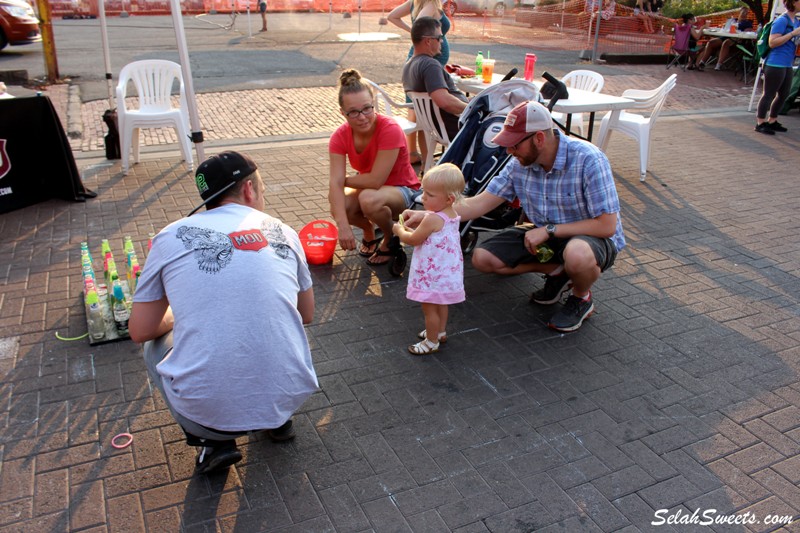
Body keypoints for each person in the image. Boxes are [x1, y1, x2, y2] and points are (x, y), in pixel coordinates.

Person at [128, 151, 318, 475]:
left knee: (153, 346)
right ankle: (278, 419)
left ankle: (213, 441)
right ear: (248, 189)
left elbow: (139, 330)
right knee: (278, 320)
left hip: (207, 413)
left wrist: (179, 314)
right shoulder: (283, 230)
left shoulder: (171, 235)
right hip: (290, 393)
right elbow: (307, 313)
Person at [402, 101, 625, 333]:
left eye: (514, 145)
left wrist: (549, 230)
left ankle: (581, 297)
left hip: (591, 238)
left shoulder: (589, 159)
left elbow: (607, 226)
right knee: (483, 258)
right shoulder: (519, 162)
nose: (509, 151)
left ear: (539, 138)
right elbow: (480, 203)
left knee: (577, 254)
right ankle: (559, 273)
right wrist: (428, 215)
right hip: (546, 234)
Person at [328, 69, 421, 266]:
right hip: (370, 190)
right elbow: (336, 187)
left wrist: (341, 181)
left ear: (373, 105)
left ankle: (390, 239)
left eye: (367, 108)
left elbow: (375, 180)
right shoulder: (339, 136)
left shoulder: (390, 128)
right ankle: (369, 232)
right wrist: (342, 226)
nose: (362, 117)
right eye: (353, 112)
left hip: (403, 190)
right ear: (342, 113)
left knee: (367, 199)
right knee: (339, 203)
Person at [392, 163, 465, 355]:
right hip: (446, 272)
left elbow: (413, 239)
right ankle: (440, 332)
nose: (422, 197)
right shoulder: (451, 214)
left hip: (431, 275)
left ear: (449, 198)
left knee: (429, 309)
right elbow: (434, 225)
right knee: (441, 304)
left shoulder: (431, 219)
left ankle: (431, 341)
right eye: (424, 192)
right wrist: (421, 216)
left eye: (430, 195)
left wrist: (399, 230)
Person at [388, 0, 451, 165]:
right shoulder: (430, 5)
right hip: (428, 56)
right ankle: (424, 158)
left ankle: (415, 153)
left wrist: (413, 31)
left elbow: (392, 16)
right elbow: (420, 27)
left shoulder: (415, 3)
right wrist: (416, 33)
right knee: (423, 110)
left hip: (426, 55)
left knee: (416, 108)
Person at [402, 16, 468, 141]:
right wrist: (472, 108)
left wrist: (470, 101)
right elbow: (444, 101)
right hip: (459, 129)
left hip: (436, 129)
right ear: (428, 41)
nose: (442, 41)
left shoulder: (408, 66)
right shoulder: (430, 65)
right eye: (439, 38)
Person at [755, 0, 800, 134]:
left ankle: (773, 120)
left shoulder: (796, 21)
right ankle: (760, 122)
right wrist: (792, 34)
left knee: (784, 94)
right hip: (775, 62)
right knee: (769, 94)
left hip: (787, 63)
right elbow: (772, 42)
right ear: (793, 2)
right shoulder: (781, 20)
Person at [697, 7, 751, 71]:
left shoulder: (748, 23)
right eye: (743, 12)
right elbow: (725, 28)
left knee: (726, 42)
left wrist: (746, 30)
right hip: (726, 36)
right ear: (739, 12)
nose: (744, 14)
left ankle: (719, 65)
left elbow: (749, 31)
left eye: (746, 12)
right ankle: (702, 62)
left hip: (736, 39)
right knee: (711, 42)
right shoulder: (733, 20)